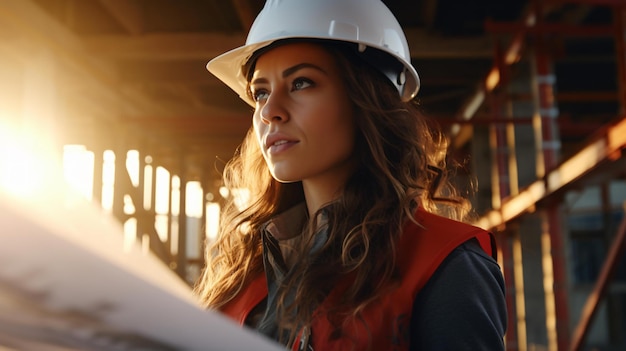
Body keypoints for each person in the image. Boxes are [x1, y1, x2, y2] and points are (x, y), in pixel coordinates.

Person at [194, 0, 507, 350]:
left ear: (366, 99)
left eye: (301, 83)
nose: (270, 111)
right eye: (261, 93)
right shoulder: (245, 272)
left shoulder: (446, 265)